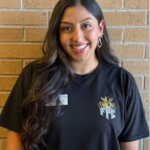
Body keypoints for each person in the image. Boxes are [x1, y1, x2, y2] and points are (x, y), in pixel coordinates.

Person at [0, 0, 150, 150]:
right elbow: (15, 142)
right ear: (57, 33)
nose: (77, 37)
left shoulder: (122, 81)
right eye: (66, 28)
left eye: (86, 26)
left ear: (100, 28)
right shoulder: (34, 76)